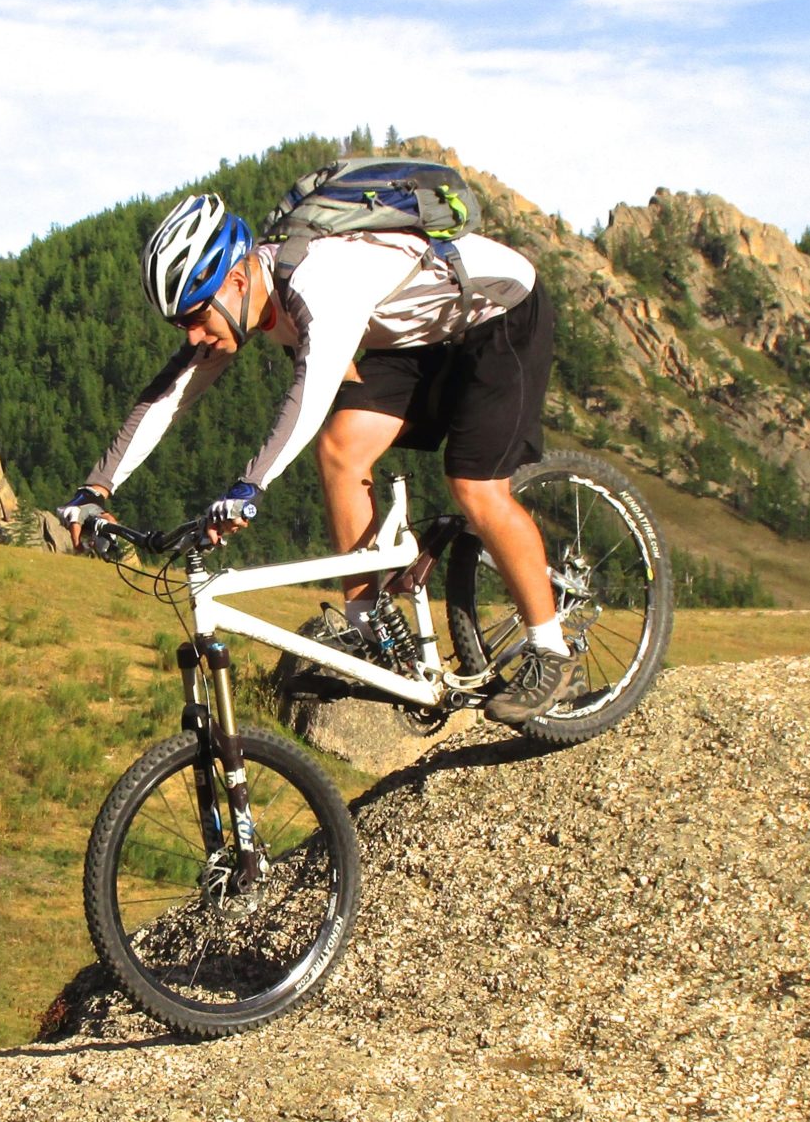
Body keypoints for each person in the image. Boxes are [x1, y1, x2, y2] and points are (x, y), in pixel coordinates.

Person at [58, 192, 580, 726]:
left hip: (499, 312)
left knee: (474, 486)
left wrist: (249, 487)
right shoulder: (247, 301)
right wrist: (96, 488)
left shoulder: (319, 283)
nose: (193, 334)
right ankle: (366, 627)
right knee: (341, 449)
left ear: (237, 282)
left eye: (194, 316)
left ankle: (552, 653)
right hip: (424, 334)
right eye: (180, 325)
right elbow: (168, 396)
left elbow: (307, 398)